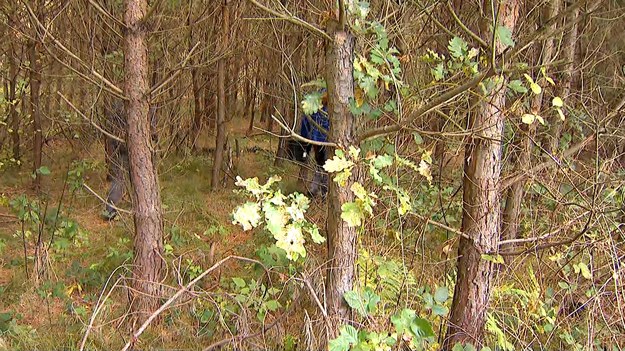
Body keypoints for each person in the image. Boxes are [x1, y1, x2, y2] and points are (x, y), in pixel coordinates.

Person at [299, 90, 329, 197]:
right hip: (320, 141)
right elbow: (306, 122)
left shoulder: (316, 102)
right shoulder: (315, 103)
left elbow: (305, 123)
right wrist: (305, 141)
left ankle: (315, 189)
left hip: (322, 140)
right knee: (322, 165)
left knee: (321, 165)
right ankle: (320, 191)